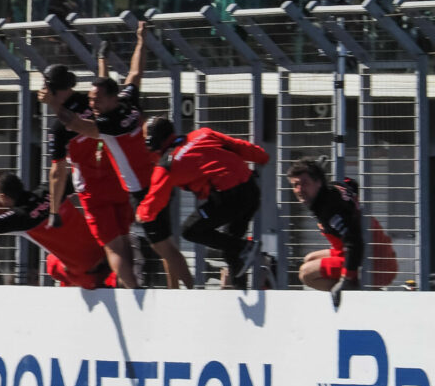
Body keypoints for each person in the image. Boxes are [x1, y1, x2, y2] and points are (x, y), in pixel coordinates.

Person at [44, 24, 193, 289]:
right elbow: (135, 73)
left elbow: (77, 127)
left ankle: (170, 294)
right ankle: (175, 292)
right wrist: (140, 42)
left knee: (135, 248)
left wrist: (53, 104)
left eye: (96, 101)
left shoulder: (108, 124)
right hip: (151, 178)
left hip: (132, 189)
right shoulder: (127, 101)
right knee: (161, 242)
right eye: (91, 99)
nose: (93, 104)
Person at [137, 116, 269, 288]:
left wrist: (141, 213)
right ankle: (239, 286)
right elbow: (238, 146)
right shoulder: (202, 134)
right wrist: (262, 157)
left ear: (151, 142)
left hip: (229, 199)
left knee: (190, 231)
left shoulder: (167, 165)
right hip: (250, 190)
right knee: (232, 253)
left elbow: (154, 200)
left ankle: (247, 249)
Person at [287, 158, 397, 306]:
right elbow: (351, 184)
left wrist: (347, 278)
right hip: (377, 253)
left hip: (375, 263)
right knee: (309, 258)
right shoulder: (334, 188)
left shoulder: (330, 210)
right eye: (295, 185)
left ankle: (356, 296)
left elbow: (354, 241)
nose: (300, 190)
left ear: (318, 182)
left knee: (306, 274)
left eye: (305, 183)